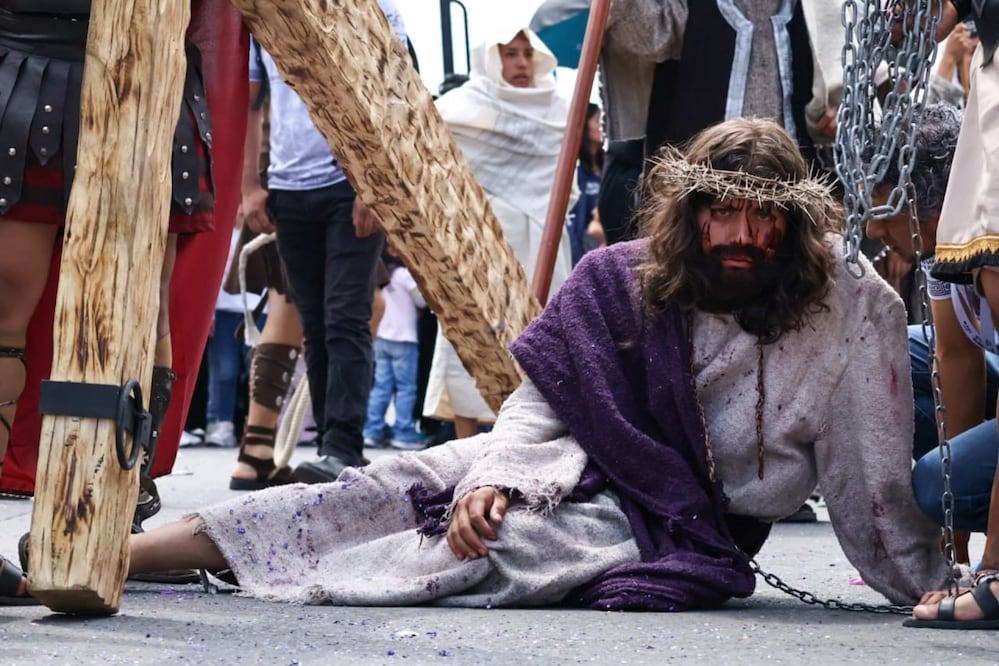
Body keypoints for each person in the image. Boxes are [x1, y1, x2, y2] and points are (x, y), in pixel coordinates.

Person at [121, 119, 946, 611]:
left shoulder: (848, 303)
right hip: (554, 459)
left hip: (666, 519)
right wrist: (495, 476)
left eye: (758, 217)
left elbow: (868, 471)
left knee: (484, 553)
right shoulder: (619, 279)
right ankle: (112, 560)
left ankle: (286, 578)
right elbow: (539, 404)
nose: (735, 236)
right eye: (718, 213)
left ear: (792, 225)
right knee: (376, 489)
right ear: (689, 217)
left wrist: (924, 586)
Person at [242, 1, 409, 485]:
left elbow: (393, 95)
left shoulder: (374, 8)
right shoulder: (266, 10)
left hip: (348, 184)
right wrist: (250, 184)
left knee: (345, 314)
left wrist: (371, 183)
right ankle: (327, 450)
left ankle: (343, 446)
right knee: (314, 320)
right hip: (289, 187)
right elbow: (252, 102)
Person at [422, 26, 574, 439]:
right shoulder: (463, 106)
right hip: (483, 238)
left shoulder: (564, 108)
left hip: (544, 235)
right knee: (471, 330)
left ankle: (541, 437)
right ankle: (465, 442)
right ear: (492, 58)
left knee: (545, 333)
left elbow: (566, 184)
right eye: (510, 53)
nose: (521, 62)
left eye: (527, 53)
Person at [902, 0, 999, 629]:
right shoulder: (951, 256)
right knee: (938, 477)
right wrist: (954, 567)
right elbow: (955, 379)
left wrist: (992, 572)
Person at [362, 254, 426, 450]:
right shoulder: (403, 274)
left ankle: (372, 431)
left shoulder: (380, 273)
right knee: (406, 388)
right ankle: (403, 433)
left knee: (381, 386)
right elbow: (422, 301)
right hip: (404, 338)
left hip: (382, 336)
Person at [568, 103, 605, 266]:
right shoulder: (575, 170)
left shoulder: (607, 166)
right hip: (582, 252)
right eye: (598, 120)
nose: (602, 126)